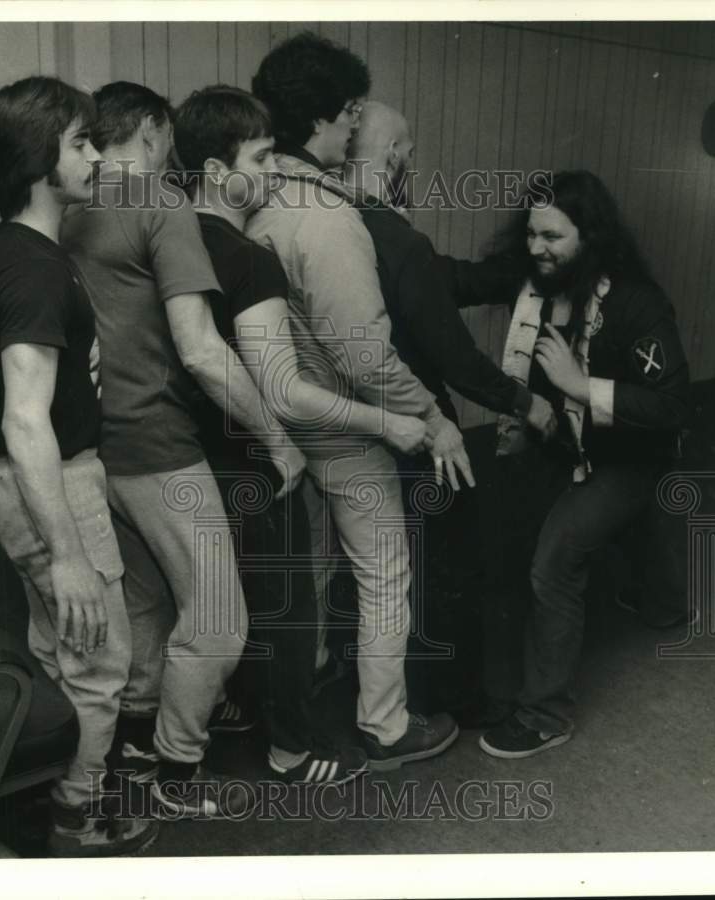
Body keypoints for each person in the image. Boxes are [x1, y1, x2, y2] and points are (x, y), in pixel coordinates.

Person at [174, 84, 433, 783]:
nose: (270, 172)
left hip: (209, 452)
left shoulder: (169, 236)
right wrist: (394, 421)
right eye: (260, 159)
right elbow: (303, 380)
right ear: (216, 168)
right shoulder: (278, 240)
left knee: (263, 593)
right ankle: (371, 728)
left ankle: (260, 706)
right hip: (291, 438)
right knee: (366, 578)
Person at [61, 80, 305, 816]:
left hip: (90, 453)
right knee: (221, 621)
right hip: (159, 446)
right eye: (167, 137)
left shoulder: (67, 210)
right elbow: (201, 350)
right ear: (152, 130)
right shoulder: (161, 203)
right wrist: (277, 439)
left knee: (145, 609)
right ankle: (177, 772)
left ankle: (137, 744)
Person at [246, 32, 469, 770]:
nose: (354, 128)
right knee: (383, 573)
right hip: (341, 426)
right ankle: (386, 726)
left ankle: (306, 704)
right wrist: (429, 415)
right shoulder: (326, 216)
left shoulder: (256, 198)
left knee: (307, 574)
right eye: (350, 114)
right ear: (326, 116)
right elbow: (365, 354)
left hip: (276, 421)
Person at [0, 76, 158, 856]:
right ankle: (77, 820)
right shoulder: (34, 266)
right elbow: (25, 418)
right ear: (38, 155)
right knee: (101, 667)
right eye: (81, 143)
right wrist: (71, 554)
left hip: (29, 488)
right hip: (53, 490)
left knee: (57, 653)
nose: (96, 157)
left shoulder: (16, 249)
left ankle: (50, 801)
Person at [461, 170, 690, 758]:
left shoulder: (637, 302)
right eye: (531, 234)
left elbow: (671, 406)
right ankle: (503, 686)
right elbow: (453, 278)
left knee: (556, 557)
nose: (537, 248)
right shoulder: (530, 275)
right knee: (508, 533)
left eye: (553, 237)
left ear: (589, 238)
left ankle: (545, 714)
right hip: (562, 446)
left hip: (627, 459)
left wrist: (579, 384)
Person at [342, 101, 559, 714]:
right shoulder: (397, 238)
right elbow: (457, 359)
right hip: (421, 433)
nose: (413, 163)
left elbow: (453, 281)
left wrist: (523, 261)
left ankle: (384, 694)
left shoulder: (337, 225)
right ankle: (455, 702)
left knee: (380, 573)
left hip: (349, 429)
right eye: (409, 151)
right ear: (392, 156)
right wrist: (527, 402)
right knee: (450, 563)